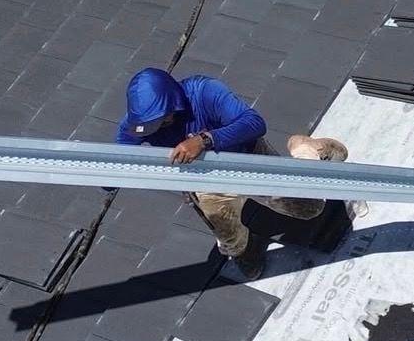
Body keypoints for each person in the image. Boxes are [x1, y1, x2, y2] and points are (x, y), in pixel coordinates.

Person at [116, 67, 349, 281]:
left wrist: (205, 140)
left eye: (160, 123)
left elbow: (254, 123)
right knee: (228, 235)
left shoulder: (204, 92)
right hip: (208, 183)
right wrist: (105, 179)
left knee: (310, 208)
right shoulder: (139, 123)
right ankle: (245, 248)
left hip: (250, 161)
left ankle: (307, 149)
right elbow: (117, 160)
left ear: (173, 105)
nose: (153, 130)